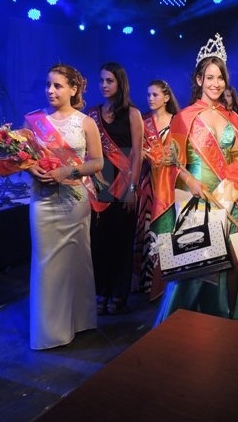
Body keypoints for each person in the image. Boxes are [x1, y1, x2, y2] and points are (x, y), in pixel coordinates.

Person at [154, 33, 238, 326]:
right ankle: (181, 324)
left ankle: (223, 318)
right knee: (195, 264)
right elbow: (172, 163)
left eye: (220, 77)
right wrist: (190, 181)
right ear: (198, 80)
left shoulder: (233, 117)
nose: (216, 83)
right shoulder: (184, 117)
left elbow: (237, 158)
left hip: (226, 197)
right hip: (195, 198)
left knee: (229, 262)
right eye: (209, 77)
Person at [25, 63, 104, 350]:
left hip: (74, 201)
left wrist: (67, 171)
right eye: (48, 85)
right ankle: (50, 331)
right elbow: (24, 157)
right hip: (43, 201)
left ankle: (80, 321)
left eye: (57, 85)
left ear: (73, 89)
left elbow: (98, 162)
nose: (50, 90)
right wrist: (31, 168)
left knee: (77, 261)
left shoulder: (85, 122)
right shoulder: (34, 121)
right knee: (46, 264)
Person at [86, 62, 143, 316]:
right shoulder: (92, 114)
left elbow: (137, 154)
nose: (104, 85)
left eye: (109, 81)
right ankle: (101, 291)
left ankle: (119, 294)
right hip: (99, 181)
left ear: (120, 83)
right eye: (101, 80)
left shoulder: (132, 113)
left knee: (121, 241)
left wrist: (132, 188)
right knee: (99, 241)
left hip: (123, 181)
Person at [135, 79, 179, 301]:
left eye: (155, 95)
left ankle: (166, 281)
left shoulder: (177, 121)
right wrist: (140, 154)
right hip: (147, 182)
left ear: (166, 97)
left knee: (167, 230)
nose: (150, 99)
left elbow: (183, 153)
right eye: (148, 95)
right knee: (146, 229)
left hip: (169, 185)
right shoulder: (142, 121)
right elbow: (132, 150)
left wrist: (172, 158)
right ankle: (147, 282)